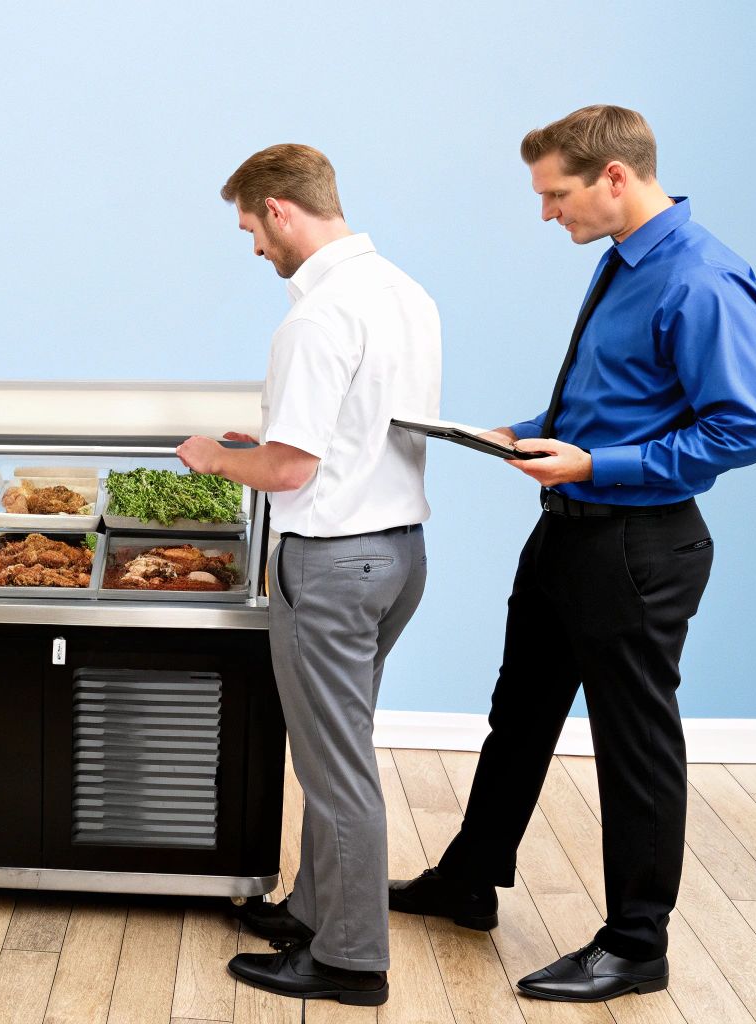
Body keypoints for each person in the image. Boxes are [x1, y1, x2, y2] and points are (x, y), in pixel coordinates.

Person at [388, 105, 756, 1002]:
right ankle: (470, 880)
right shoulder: (621, 259)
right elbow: (616, 402)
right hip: (567, 530)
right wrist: (520, 437)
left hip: (638, 548)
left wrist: (595, 463)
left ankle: (637, 943)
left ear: (614, 178)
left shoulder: (703, 277)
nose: (545, 214)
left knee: (635, 747)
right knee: (519, 711)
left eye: (555, 194)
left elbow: (749, 428)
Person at [177, 143, 441, 1007]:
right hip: (398, 553)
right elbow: (359, 432)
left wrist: (218, 457)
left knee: (335, 769)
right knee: (339, 745)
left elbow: (290, 471)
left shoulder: (316, 317)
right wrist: (272, 449)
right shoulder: (408, 294)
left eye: (252, 228)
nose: (255, 248)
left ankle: (351, 961)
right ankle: (312, 913)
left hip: (331, 564)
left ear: (281, 209)